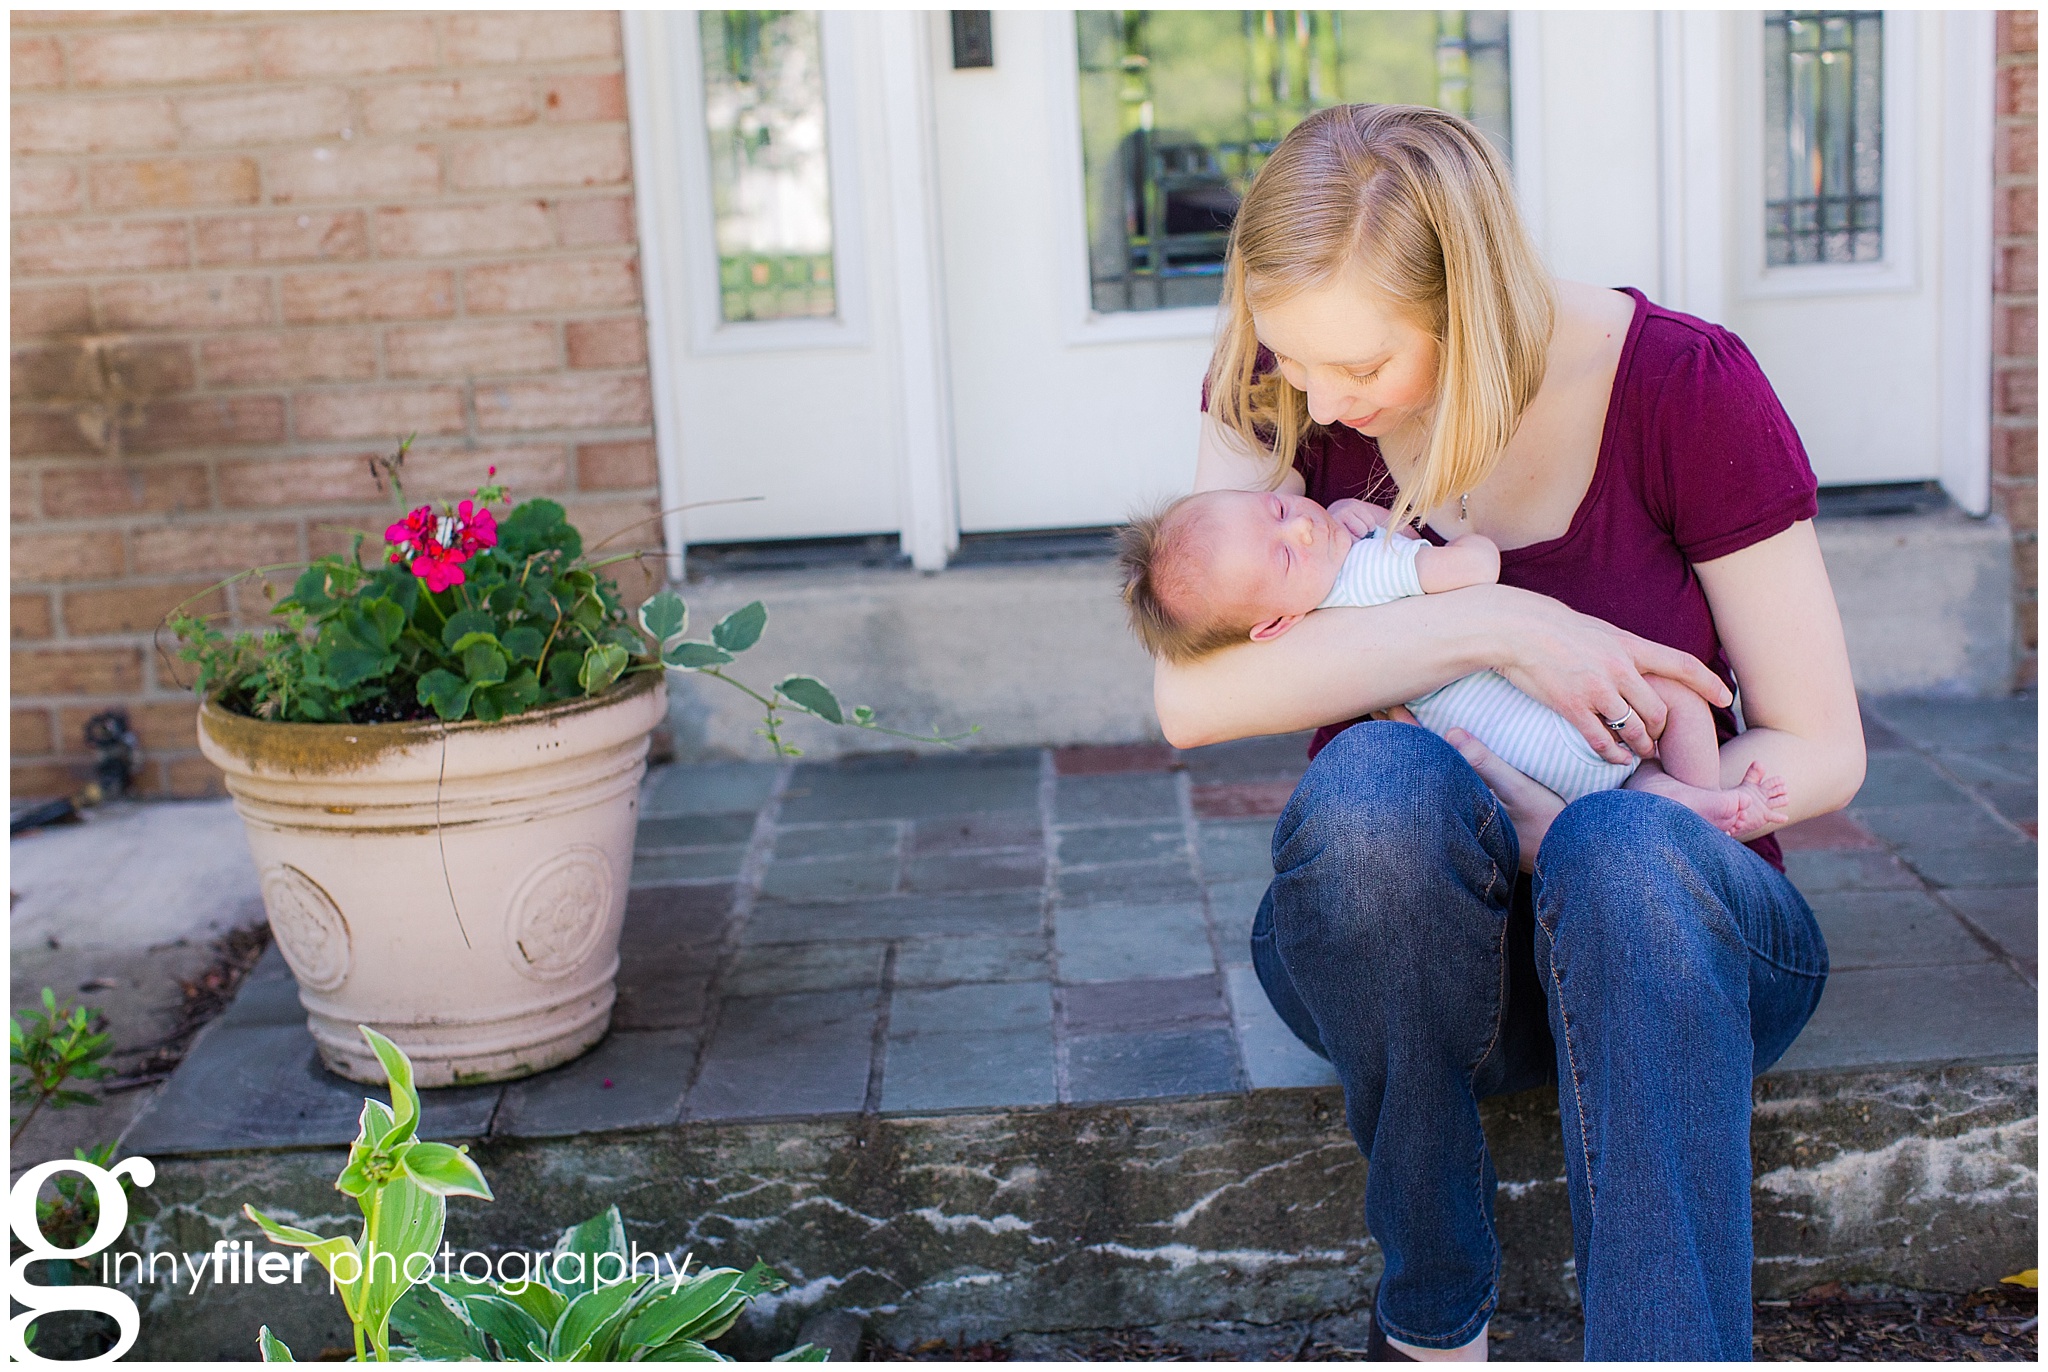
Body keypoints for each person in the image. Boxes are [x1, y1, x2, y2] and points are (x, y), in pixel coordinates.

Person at [1152, 103, 1864, 1361]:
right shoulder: (1290, 382)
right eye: (1290, 358)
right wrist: (1503, 626)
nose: (1317, 404)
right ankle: (1432, 1326)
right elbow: (1191, 697)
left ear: (1469, 303)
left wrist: (1622, 806)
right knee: (1376, 784)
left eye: (1359, 368)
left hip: (1668, 956)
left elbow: (1820, 748)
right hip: (1420, 963)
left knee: (1620, 856)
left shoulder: (1680, 388)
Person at [1117, 488, 1790, 837]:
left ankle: (1689, 811)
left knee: (1638, 800)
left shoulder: (1302, 638)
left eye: (1277, 508)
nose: (1299, 525)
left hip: (1526, 772)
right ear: (1271, 623)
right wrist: (1393, 522)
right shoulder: (1368, 571)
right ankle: (1706, 803)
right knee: (1678, 695)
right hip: (1564, 727)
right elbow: (1474, 566)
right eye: (1285, 553)